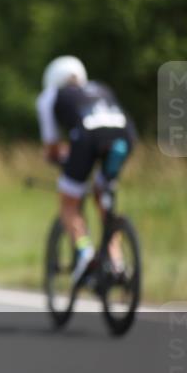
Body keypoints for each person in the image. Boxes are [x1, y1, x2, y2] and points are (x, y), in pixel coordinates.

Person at [36, 56, 136, 282]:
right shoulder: (101, 88)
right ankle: (117, 261)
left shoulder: (51, 95)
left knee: (69, 203)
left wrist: (54, 155)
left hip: (87, 140)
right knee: (103, 196)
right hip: (124, 139)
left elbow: (51, 142)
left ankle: (85, 252)